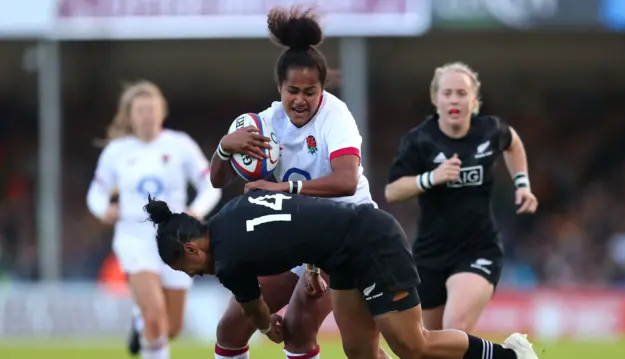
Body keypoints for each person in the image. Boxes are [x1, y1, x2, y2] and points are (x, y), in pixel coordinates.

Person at [144, 190, 539, 359]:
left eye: (186, 268)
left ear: (192, 249)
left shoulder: (228, 261)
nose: (193, 276)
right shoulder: (232, 211)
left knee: (411, 346)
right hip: (343, 254)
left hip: (370, 243)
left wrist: (269, 327)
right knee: (359, 352)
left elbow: (257, 313)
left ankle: (508, 355)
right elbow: (301, 218)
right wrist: (315, 262)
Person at [209, 6, 387, 359]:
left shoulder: (335, 116)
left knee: (306, 329)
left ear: (323, 89)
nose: (301, 100)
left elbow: (346, 181)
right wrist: (224, 148)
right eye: (293, 90)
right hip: (302, 238)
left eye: (311, 91)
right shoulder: (265, 124)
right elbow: (218, 179)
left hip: (348, 231)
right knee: (231, 325)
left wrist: (281, 189)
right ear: (279, 88)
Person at [385, 62, 539, 333]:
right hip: (430, 254)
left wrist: (522, 184)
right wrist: (431, 178)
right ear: (435, 99)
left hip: (478, 249)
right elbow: (392, 191)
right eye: (447, 93)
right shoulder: (419, 140)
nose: (454, 99)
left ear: (474, 99)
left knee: (455, 326)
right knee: (428, 345)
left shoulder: (490, 130)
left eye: (461, 93)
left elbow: (512, 142)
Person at [86, 81, 222, 359]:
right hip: (135, 239)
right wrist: (104, 210)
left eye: (152, 109)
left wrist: (196, 210)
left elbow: (210, 183)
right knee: (154, 316)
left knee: (171, 327)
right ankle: (144, 319)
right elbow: (96, 192)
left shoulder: (180, 145)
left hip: (175, 240)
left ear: (162, 112)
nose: (147, 115)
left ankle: (140, 325)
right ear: (130, 116)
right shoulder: (117, 151)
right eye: (140, 110)